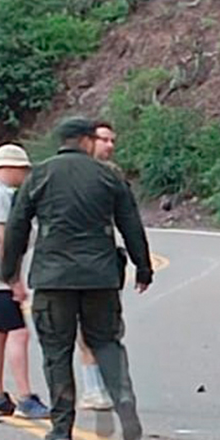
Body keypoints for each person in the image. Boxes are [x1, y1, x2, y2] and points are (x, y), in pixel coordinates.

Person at [0, 117, 153, 440]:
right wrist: (143, 267)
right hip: (101, 277)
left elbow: (17, 227)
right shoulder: (109, 176)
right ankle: (124, 403)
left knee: (57, 351)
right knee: (106, 342)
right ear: (87, 141)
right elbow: (131, 224)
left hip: (53, 280)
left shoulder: (39, 175)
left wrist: (10, 272)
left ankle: (61, 427)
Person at [0, 144, 50, 420]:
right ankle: (25, 397)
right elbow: (5, 242)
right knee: (19, 332)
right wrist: (14, 280)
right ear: (8, 169)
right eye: (21, 169)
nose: (24, 175)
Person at [76, 121, 119, 411]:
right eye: (104, 139)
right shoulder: (72, 172)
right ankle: (92, 388)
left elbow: (125, 216)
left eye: (112, 140)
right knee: (83, 328)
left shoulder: (113, 175)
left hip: (104, 260)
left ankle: (101, 385)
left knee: (106, 327)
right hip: (76, 262)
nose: (109, 145)